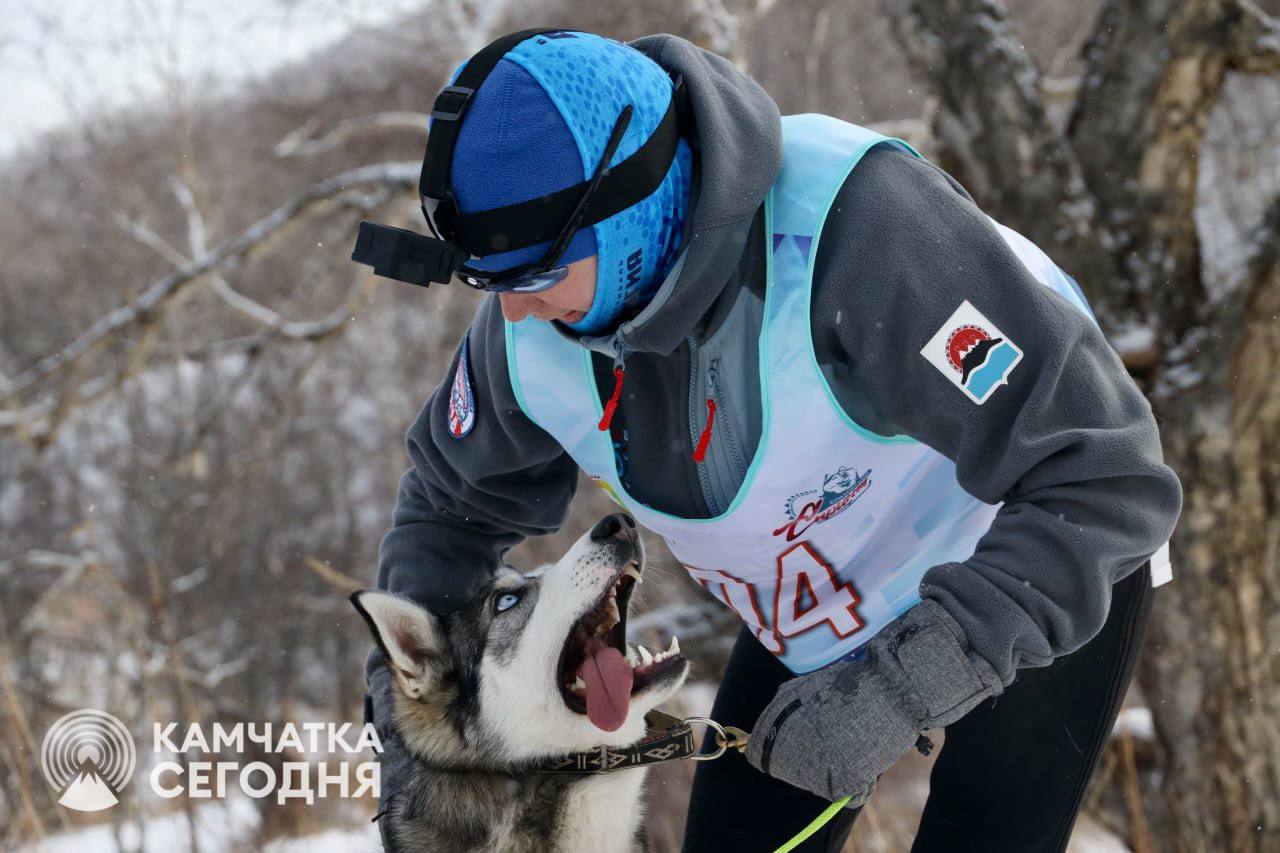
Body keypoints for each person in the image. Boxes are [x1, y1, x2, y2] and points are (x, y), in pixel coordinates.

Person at [358, 28, 1182, 853]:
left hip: (1028, 570)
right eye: (489, 280)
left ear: (625, 220)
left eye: (535, 274)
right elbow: (450, 508)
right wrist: (413, 732)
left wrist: (903, 685)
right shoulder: (526, 330)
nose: (512, 309)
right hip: (818, 608)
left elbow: (1105, 475)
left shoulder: (860, 231)